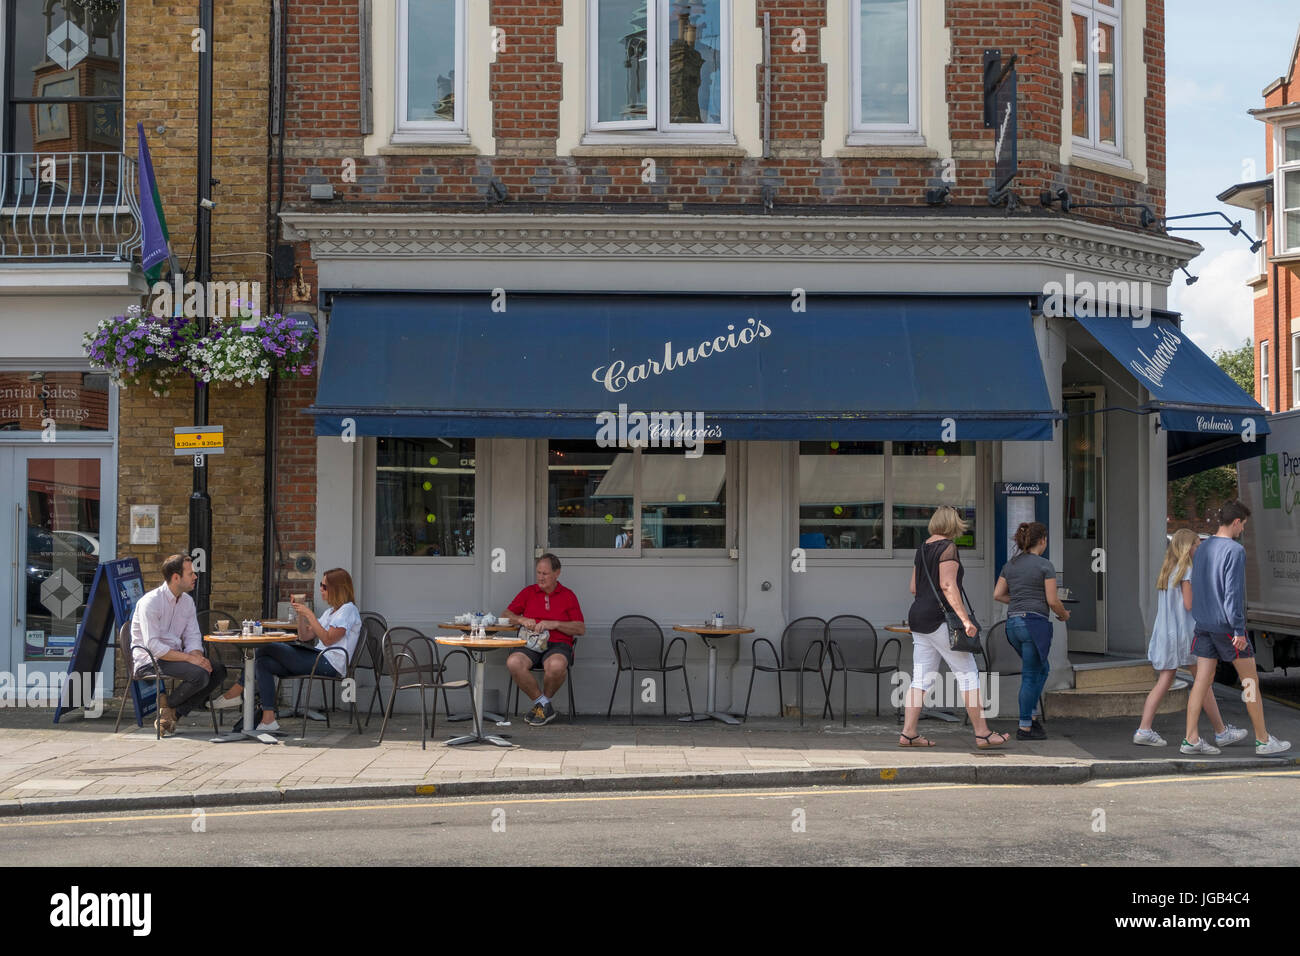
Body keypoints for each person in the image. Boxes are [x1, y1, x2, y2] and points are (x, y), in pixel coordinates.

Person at [1182, 501, 1290, 756]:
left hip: (1204, 624)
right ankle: (1263, 740)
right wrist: (1239, 631)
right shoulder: (1235, 550)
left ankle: (1190, 739)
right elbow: (1232, 594)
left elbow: (1199, 586)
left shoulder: (1203, 547)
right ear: (1237, 522)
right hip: (1228, 628)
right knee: (1250, 681)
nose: (1243, 530)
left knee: (1201, 681)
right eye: (1244, 525)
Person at [900, 506, 1010, 749]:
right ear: (953, 524)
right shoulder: (947, 547)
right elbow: (948, 585)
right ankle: (982, 733)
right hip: (941, 619)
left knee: (921, 678)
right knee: (968, 675)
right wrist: (966, 620)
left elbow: (913, 588)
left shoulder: (923, 548)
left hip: (919, 618)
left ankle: (908, 733)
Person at [1134, 530, 1244, 747]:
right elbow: (1189, 604)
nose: (1199, 549)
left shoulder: (1168, 570)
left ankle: (1144, 729)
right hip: (1186, 634)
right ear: (1188, 548)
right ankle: (1221, 732)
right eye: (1196, 545)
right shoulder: (1188, 571)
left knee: (1166, 681)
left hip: (1169, 632)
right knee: (1203, 683)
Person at [218, 568, 361, 734]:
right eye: (320, 586)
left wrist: (310, 614)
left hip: (330, 663)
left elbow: (329, 639)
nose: (320, 590)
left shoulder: (348, 610)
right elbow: (305, 636)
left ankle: (235, 692)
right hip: (317, 657)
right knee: (262, 662)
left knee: (266, 646)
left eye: (324, 586)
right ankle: (268, 718)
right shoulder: (331, 612)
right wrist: (301, 615)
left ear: (337, 588)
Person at [130, 553, 227, 736]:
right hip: (150, 659)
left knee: (217, 670)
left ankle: (171, 710)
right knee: (199, 674)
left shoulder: (187, 602)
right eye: (190, 574)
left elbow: (192, 636)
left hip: (175, 656)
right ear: (176, 577)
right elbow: (154, 646)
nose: (195, 577)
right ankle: (171, 709)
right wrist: (191, 659)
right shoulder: (150, 602)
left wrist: (197, 656)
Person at [993, 521, 1069, 740]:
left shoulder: (1011, 565)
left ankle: (1032, 717)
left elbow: (998, 594)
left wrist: (1018, 601)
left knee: (1041, 669)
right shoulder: (1045, 565)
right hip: (1034, 625)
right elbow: (1053, 600)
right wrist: (1063, 615)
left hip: (1012, 625)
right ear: (1042, 540)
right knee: (1030, 675)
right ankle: (1025, 726)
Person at [501, 553, 585, 726]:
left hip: (558, 644)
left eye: (545, 573)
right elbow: (506, 615)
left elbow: (580, 628)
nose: (540, 577)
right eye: (538, 572)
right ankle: (544, 705)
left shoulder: (568, 595)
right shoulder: (528, 592)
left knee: (555, 666)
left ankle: (542, 706)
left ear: (557, 573)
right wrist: (521, 620)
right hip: (530, 643)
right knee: (513, 662)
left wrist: (554, 624)